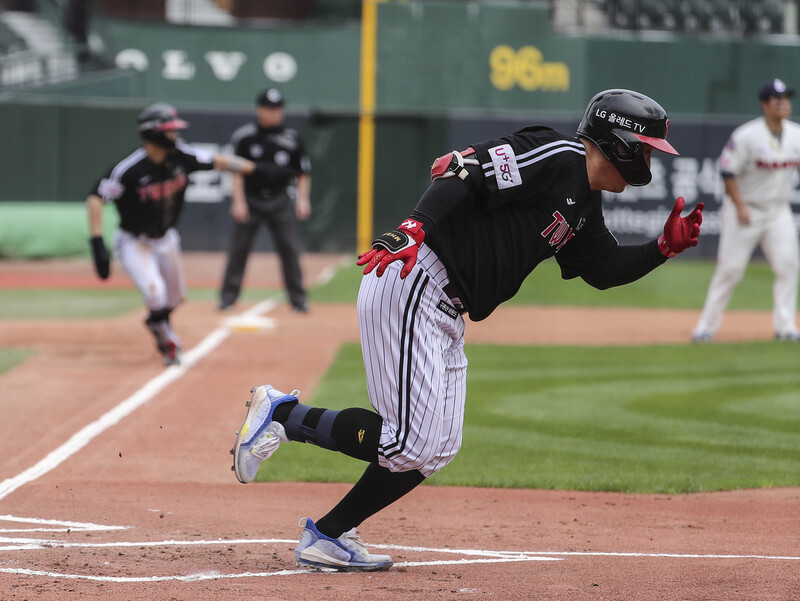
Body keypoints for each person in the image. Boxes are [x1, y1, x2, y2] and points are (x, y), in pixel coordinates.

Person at [231, 89, 704, 571]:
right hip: (414, 278)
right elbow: (463, 168)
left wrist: (662, 247)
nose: (650, 159)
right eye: (646, 147)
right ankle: (283, 416)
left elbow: (603, 268)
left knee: (435, 449)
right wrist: (416, 225)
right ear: (619, 141)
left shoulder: (585, 203)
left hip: (444, 308)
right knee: (409, 443)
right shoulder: (559, 156)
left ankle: (327, 536)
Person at [87, 103, 257, 365]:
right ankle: (168, 340)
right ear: (153, 133)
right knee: (155, 293)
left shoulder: (182, 156)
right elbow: (96, 198)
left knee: (176, 298)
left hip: (166, 239)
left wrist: (253, 169)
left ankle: (155, 319)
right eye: (169, 131)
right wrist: (97, 241)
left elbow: (219, 161)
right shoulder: (129, 169)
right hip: (134, 241)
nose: (175, 135)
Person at [692, 78, 800, 342]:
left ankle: (786, 327)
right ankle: (706, 327)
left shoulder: (796, 134)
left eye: (786, 99)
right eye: (778, 99)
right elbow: (728, 171)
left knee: (788, 266)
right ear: (765, 105)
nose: (784, 104)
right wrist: (739, 206)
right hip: (746, 209)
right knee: (730, 269)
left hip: (778, 211)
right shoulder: (747, 135)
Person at [218, 88, 312, 313]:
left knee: (289, 250)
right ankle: (228, 299)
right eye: (270, 109)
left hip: (280, 200)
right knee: (238, 249)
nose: (275, 113)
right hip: (251, 200)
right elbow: (236, 171)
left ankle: (298, 301)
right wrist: (238, 202)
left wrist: (303, 200)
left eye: (279, 108)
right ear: (259, 110)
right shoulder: (245, 136)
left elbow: (303, 173)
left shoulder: (292, 138)